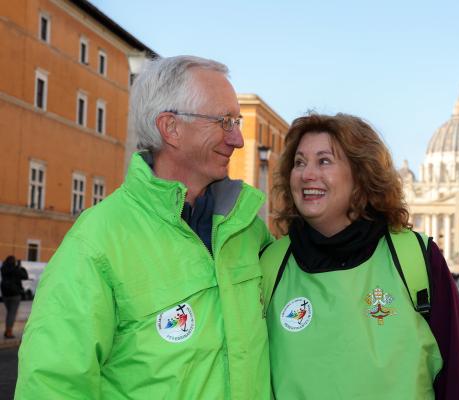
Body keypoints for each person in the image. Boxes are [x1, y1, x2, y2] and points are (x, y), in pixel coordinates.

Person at [16, 56, 272, 399]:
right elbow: (52, 385)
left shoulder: (248, 229)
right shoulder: (97, 239)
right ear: (171, 128)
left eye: (237, 121)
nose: (238, 139)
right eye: (225, 121)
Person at [260, 113, 459, 399]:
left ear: (362, 174)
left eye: (324, 161)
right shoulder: (269, 264)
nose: (307, 174)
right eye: (299, 162)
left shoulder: (416, 259)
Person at [1, 255, 28, 338]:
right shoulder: (16, 269)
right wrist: (20, 267)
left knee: (10, 313)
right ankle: (8, 332)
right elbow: (24, 276)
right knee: (12, 314)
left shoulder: (3, 268)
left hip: (5, 294)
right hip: (15, 294)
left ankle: (7, 330)